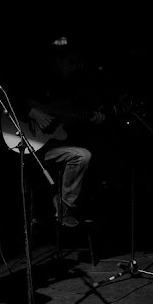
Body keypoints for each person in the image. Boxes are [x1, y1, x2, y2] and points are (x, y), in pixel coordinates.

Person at [13, 36, 106, 227]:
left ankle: (65, 208)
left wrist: (92, 118)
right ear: (59, 61)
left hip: (50, 148)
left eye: (78, 64)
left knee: (84, 155)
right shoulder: (35, 78)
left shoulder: (74, 91)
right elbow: (10, 99)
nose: (76, 67)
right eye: (72, 62)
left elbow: (68, 123)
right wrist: (32, 112)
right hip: (25, 146)